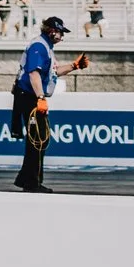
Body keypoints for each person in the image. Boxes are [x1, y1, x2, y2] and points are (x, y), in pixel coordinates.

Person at [11, 15, 88, 193]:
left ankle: (26, 179)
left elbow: (53, 73)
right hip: (29, 96)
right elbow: (34, 74)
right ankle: (31, 182)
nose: (62, 37)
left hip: (31, 96)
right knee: (38, 139)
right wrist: (40, 98)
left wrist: (74, 66)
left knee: (38, 139)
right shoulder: (39, 46)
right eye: (61, 33)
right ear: (53, 31)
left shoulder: (47, 47)